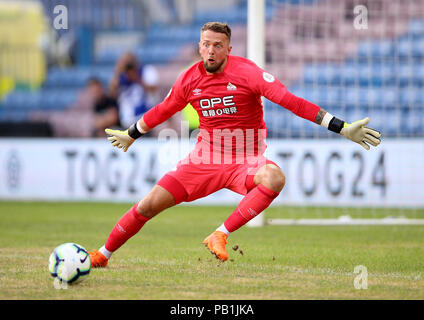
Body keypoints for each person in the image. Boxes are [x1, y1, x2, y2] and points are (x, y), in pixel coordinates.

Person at [89, 22, 381, 266]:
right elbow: (163, 110)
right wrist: (131, 134)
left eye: (218, 45)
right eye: (206, 44)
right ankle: (103, 254)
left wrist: (341, 127)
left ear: (229, 49)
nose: (211, 50)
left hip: (246, 159)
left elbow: (292, 102)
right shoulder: (188, 80)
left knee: (275, 177)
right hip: (205, 159)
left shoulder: (248, 73)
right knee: (149, 204)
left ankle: (220, 234)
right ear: (199, 46)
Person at [109, 52, 160, 130]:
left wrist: (137, 78)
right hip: (127, 120)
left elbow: (154, 88)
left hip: (146, 117)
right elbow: (112, 94)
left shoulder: (146, 71)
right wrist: (118, 73)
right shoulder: (120, 77)